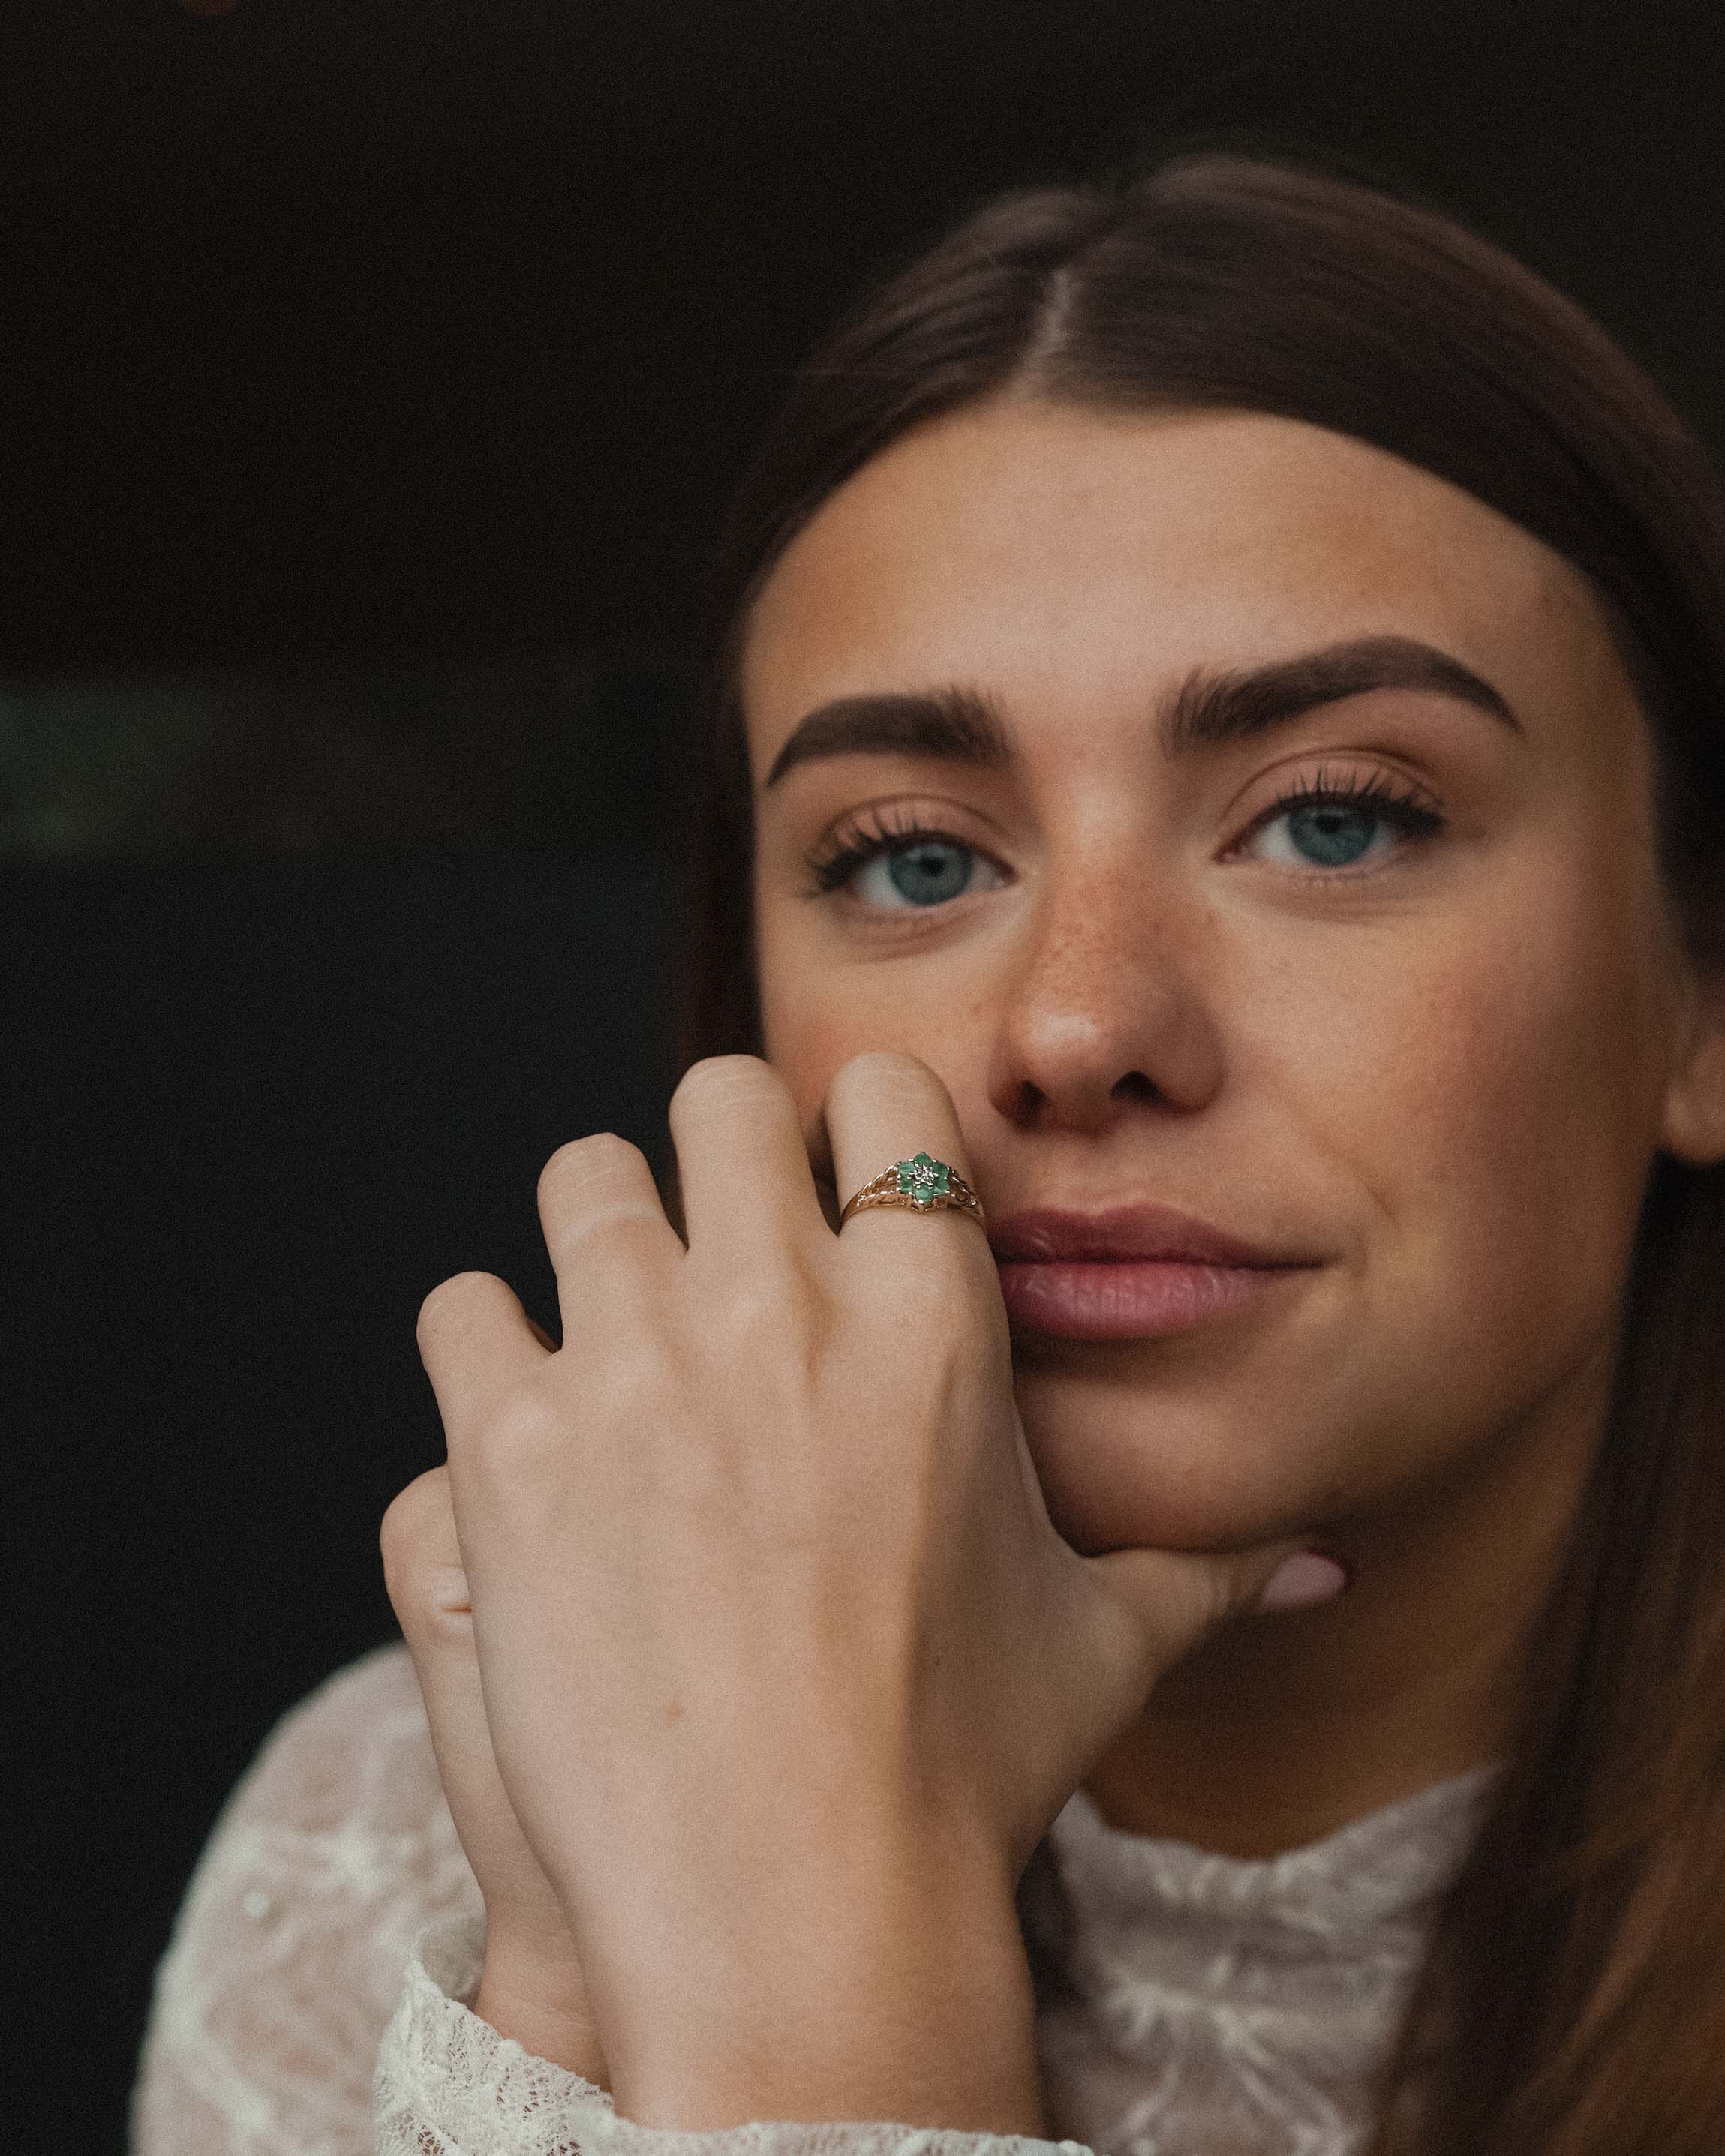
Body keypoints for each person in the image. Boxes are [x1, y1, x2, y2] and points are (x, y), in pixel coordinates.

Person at [131, 141, 1725, 2156]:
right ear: (747, 1019)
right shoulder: (395, 1850)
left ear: (1694, 988)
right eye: (911, 855)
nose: (1074, 1028)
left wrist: (821, 1997)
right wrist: (591, 1971)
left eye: (1333, 818)